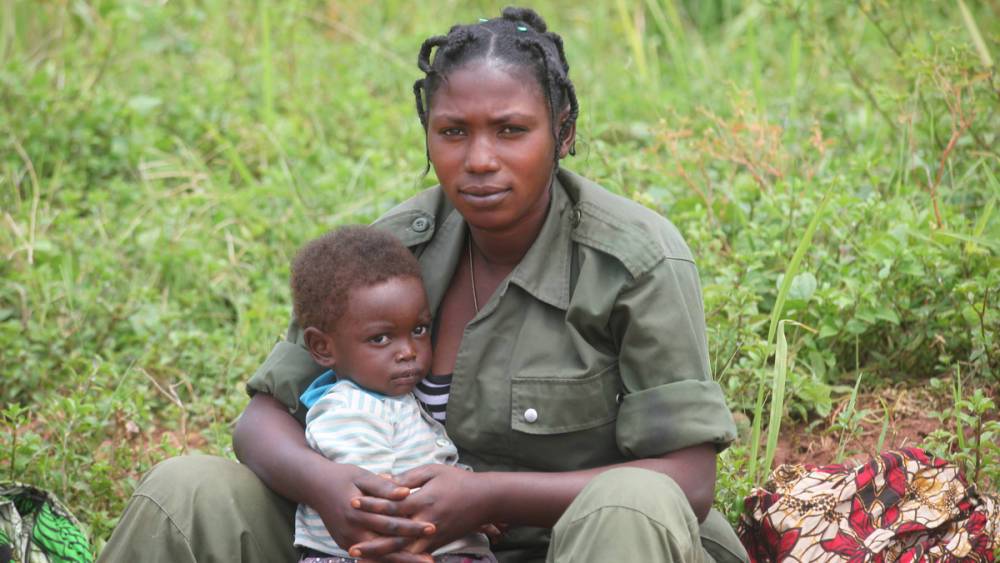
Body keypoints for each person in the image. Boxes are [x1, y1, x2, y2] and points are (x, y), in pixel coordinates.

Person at [99, 7, 749, 563]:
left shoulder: (634, 260)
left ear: (564, 133)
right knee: (184, 490)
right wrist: (334, 491)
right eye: (454, 132)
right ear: (429, 136)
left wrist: (488, 497)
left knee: (632, 501)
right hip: (392, 546)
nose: (480, 159)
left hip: (579, 543)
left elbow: (688, 480)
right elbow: (263, 419)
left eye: (512, 130)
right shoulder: (393, 251)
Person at [287, 226, 495, 563]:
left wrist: (476, 507)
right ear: (322, 347)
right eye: (381, 339)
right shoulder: (348, 409)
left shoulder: (397, 400)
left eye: (418, 330)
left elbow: (426, 469)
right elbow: (376, 492)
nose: (408, 351)